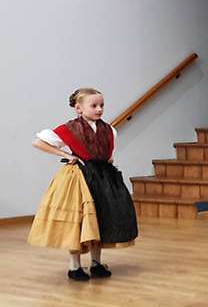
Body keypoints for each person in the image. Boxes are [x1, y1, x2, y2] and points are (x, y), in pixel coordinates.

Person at [29, 88, 138, 280]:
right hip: (79, 176)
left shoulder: (109, 130)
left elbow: (109, 154)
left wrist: (107, 163)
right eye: (94, 105)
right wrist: (66, 154)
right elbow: (38, 143)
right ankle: (74, 267)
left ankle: (96, 264)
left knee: (101, 218)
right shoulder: (70, 129)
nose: (99, 109)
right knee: (79, 221)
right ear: (79, 108)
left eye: (102, 105)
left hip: (103, 177)